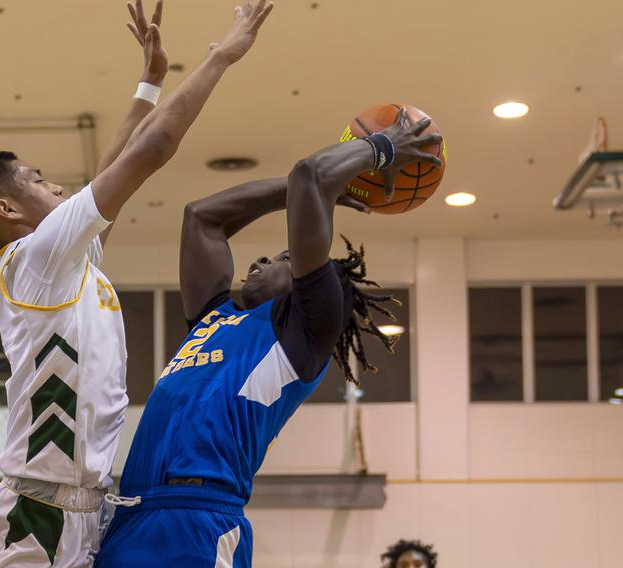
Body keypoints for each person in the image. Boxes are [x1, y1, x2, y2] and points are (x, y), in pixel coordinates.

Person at [0, 2, 275, 566]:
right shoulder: (34, 256)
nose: (54, 183)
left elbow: (111, 167)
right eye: (35, 178)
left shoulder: (67, 262)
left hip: (89, 512)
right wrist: (221, 55)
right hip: (35, 516)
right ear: (7, 208)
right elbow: (150, 151)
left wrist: (148, 84)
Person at [95, 108, 442, 567]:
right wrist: (310, 197)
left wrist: (380, 150)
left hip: (201, 523)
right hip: (131, 516)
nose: (261, 258)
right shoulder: (213, 318)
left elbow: (310, 174)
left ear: (307, 286)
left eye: (283, 257)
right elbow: (201, 217)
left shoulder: (303, 336)